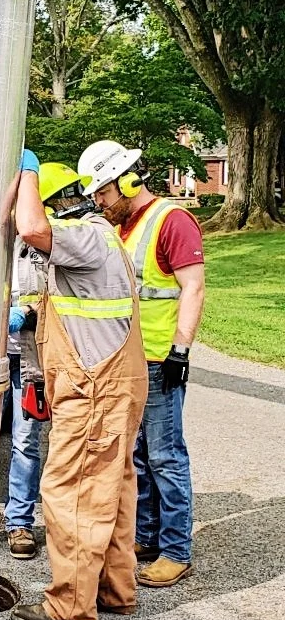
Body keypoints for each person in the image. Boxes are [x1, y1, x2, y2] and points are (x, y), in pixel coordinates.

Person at [10, 156, 148, 620]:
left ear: (56, 207)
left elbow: (31, 228)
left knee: (71, 491)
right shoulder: (98, 241)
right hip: (109, 385)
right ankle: (114, 590)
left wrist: (25, 173)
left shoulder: (84, 236)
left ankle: (70, 605)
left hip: (95, 392)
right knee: (112, 488)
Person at [78, 141, 205, 588]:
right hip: (128, 362)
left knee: (166, 456)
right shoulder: (126, 227)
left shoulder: (172, 222)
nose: (98, 201)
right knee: (138, 457)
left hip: (158, 360)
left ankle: (175, 550)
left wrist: (180, 352)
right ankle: (147, 536)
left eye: (103, 193)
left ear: (129, 181)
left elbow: (193, 288)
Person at [3, 238, 45, 559]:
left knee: (25, 440)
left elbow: (62, 297)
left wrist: (29, 313)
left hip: (31, 359)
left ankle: (20, 523)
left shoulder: (46, 242)